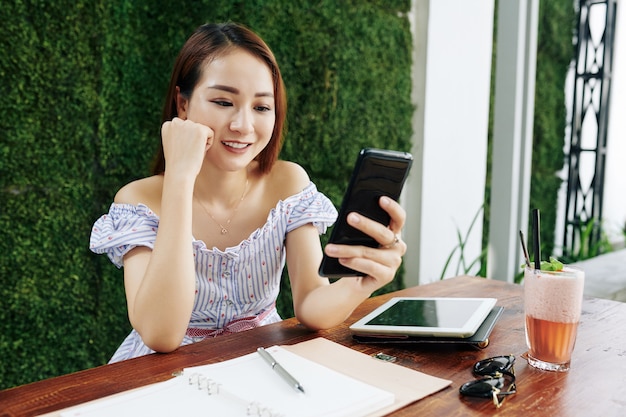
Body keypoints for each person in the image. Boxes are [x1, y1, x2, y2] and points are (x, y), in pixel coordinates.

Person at [89, 22, 407, 363]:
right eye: (223, 101)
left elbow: (313, 308)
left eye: (261, 107)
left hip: (261, 363)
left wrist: (360, 283)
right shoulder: (137, 202)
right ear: (183, 105)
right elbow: (161, 334)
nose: (243, 125)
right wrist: (179, 179)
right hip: (162, 376)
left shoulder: (288, 183)